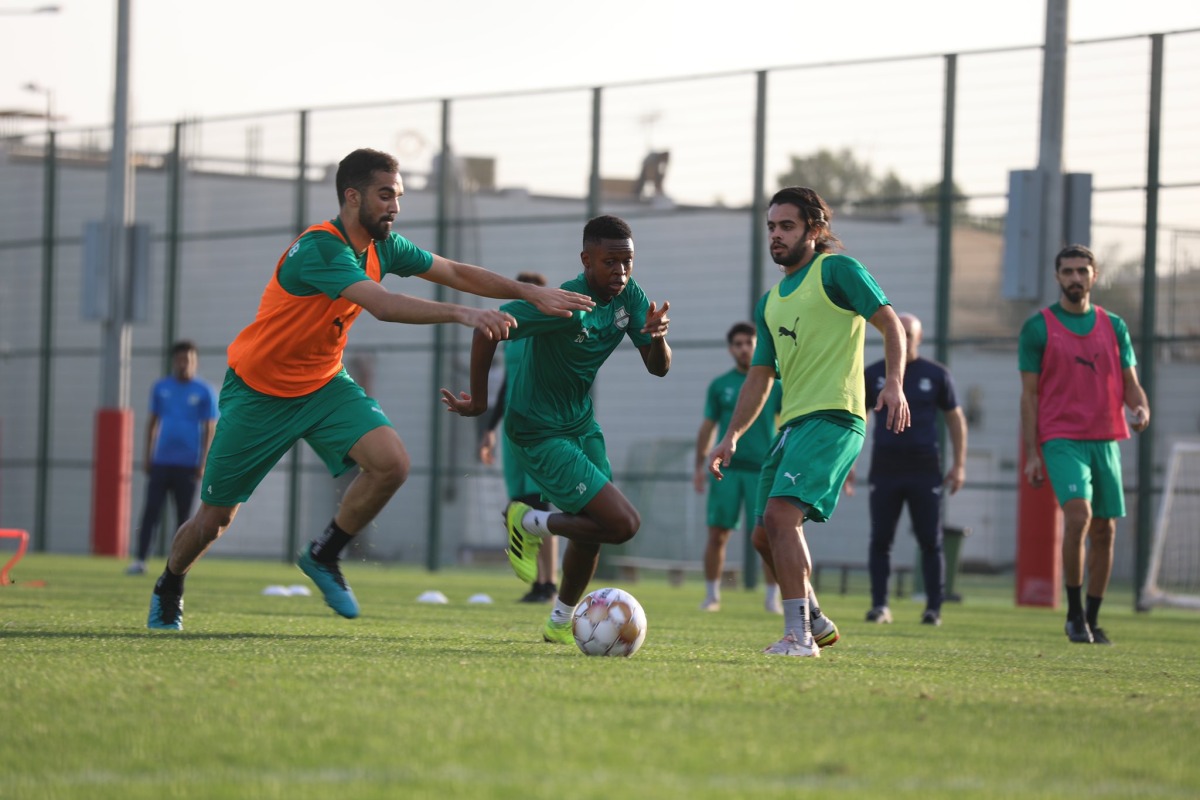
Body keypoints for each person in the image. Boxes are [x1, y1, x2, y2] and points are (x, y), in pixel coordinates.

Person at [146, 147, 594, 630]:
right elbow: (381, 304)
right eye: (385, 196)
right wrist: (465, 314)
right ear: (352, 197)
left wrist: (530, 292)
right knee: (214, 520)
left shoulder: (386, 247)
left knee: (392, 464)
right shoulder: (321, 248)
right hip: (259, 392)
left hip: (323, 385)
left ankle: (324, 553)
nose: (395, 207)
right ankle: (169, 584)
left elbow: (455, 272)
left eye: (398, 196)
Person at [441, 214, 671, 645]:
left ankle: (560, 621)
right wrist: (481, 400)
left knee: (596, 525)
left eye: (628, 262)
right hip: (538, 430)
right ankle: (528, 521)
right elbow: (488, 327)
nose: (620, 272)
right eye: (610, 262)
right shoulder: (563, 303)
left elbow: (658, 369)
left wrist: (656, 337)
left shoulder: (630, 298)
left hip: (581, 426)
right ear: (586, 259)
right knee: (623, 524)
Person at [707, 186, 910, 658]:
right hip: (791, 425)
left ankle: (798, 638)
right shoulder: (770, 301)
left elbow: (891, 324)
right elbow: (759, 378)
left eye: (787, 226)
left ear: (814, 230)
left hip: (835, 415)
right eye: (772, 227)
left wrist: (893, 383)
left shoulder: (838, 270)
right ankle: (814, 618)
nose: (776, 236)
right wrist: (731, 436)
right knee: (763, 536)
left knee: (781, 517)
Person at [1019, 244, 1149, 645]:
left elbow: (1129, 383)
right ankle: (1073, 616)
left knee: (1106, 531)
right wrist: (1033, 455)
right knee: (1078, 517)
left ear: (1094, 276)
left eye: (1082, 271)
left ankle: (1092, 618)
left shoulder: (1114, 326)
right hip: (1060, 439)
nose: (1075, 278)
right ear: (1057, 277)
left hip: (1106, 437)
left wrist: (1141, 407)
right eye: (1068, 271)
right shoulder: (1038, 327)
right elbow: (1030, 396)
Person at [845, 312, 967, 626]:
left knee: (930, 539)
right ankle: (879, 606)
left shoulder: (936, 374)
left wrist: (960, 464)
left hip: (924, 467)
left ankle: (933, 609)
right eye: (897, 333)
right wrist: (849, 461)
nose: (902, 339)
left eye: (909, 334)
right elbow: (860, 418)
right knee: (880, 539)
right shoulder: (873, 374)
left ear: (919, 338)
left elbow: (955, 418)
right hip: (886, 467)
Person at [478, 271, 560, 603]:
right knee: (522, 506)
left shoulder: (550, 333)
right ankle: (538, 584)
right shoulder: (512, 334)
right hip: (513, 432)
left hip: (541, 429)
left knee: (542, 504)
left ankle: (550, 583)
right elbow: (505, 386)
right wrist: (489, 431)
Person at [693, 321, 784, 614]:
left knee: (769, 534)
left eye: (749, 342)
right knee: (717, 534)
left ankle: (772, 598)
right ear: (731, 349)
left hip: (764, 469)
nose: (744, 349)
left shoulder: (776, 383)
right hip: (727, 470)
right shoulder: (720, 386)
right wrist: (699, 465)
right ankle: (711, 596)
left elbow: (787, 424)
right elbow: (707, 427)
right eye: (738, 344)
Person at [126, 340, 218, 576]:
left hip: (188, 464)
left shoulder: (204, 391)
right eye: (179, 359)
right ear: (173, 361)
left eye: (187, 359)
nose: (183, 363)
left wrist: (203, 462)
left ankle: (178, 565)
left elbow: (209, 428)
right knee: (150, 512)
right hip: (162, 462)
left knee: (184, 518)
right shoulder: (161, 388)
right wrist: (148, 455)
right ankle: (140, 559)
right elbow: (153, 423)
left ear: (194, 362)